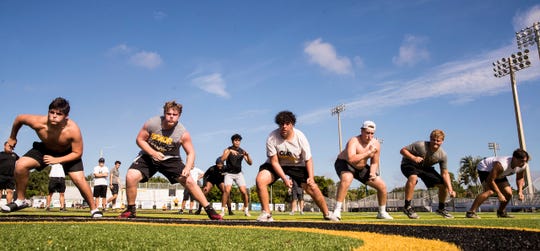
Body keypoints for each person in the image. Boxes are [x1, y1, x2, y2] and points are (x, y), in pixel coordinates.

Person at [1, 97, 103, 217]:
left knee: (79, 179)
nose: (54, 116)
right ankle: (21, 200)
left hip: (68, 152)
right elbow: (19, 119)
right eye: (52, 112)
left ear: (66, 116)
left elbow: (77, 153)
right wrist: (13, 137)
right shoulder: (38, 122)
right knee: (20, 165)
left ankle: (93, 208)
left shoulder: (73, 130)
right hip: (45, 148)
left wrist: (57, 160)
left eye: (59, 114)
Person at [119, 101, 221, 220]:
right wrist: (153, 153)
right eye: (169, 113)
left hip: (170, 159)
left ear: (179, 116)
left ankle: (209, 209)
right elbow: (139, 140)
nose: (171, 116)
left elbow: (191, 152)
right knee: (131, 176)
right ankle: (131, 209)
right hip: (149, 155)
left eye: (174, 114)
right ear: (164, 113)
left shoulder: (182, 133)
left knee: (189, 180)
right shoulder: (152, 123)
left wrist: (187, 167)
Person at [255, 110, 339, 222]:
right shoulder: (272, 137)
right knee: (260, 180)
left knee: (312, 187)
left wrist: (311, 178)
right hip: (277, 164)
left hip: (297, 165)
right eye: (281, 124)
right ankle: (266, 213)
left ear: (292, 124)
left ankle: (327, 213)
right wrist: (284, 179)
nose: (284, 127)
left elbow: (308, 159)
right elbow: (274, 162)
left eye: (287, 124)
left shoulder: (300, 137)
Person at [333, 121, 393, 220]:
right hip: (344, 163)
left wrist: (372, 173)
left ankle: (382, 212)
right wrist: (368, 153)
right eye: (367, 133)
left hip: (361, 168)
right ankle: (337, 210)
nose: (369, 136)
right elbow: (351, 158)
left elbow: (374, 162)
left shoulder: (376, 144)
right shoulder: (353, 141)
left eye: (372, 133)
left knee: (382, 185)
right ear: (362, 131)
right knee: (347, 178)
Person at [400, 129, 455, 219]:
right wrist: (414, 158)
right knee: (413, 178)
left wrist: (450, 189)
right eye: (433, 139)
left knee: (443, 185)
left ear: (442, 141)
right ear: (430, 138)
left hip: (425, 167)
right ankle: (407, 206)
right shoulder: (420, 145)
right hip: (409, 163)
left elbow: (445, 173)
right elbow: (402, 150)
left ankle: (441, 208)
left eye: (438, 140)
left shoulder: (443, 155)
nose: (435, 142)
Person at [466, 149, 529, 219]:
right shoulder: (502, 164)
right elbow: (490, 180)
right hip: (485, 168)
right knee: (489, 191)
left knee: (508, 193)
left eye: (525, 161)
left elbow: (520, 178)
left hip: (500, 173)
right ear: (514, 158)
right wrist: (499, 194)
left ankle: (501, 212)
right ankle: (471, 212)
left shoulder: (523, 165)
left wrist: (520, 191)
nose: (523, 163)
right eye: (522, 161)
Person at [220, 134, 253, 217]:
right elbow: (222, 160)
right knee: (226, 191)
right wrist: (230, 151)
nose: (237, 142)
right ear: (232, 141)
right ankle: (222, 211)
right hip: (229, 174)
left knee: (244, 192)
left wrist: (248, 155)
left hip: (238, 174)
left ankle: (246, 211)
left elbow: (250, 163)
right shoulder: (227, 150)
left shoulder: (242, 151)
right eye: (235, 140)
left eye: (238, 140)